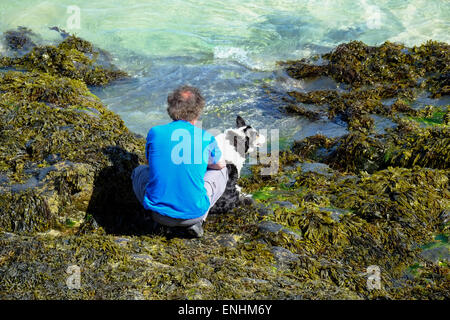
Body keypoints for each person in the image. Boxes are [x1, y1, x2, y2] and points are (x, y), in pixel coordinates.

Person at [131, 85, 228, 238]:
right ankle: (199, 221)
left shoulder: (155, 132)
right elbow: (220, 164)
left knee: (138, 171)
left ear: (171, 108)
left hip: (158, 214)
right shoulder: (206, 137)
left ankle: (151, 215)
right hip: (193, 215)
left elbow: (151, 163)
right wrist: (200, 161)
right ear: (197, 111)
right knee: (222, 170)